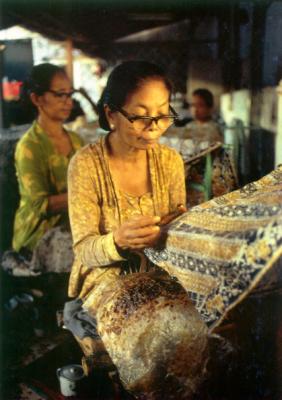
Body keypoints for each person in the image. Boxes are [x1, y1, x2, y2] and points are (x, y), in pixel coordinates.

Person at [65, 61, 213, 399]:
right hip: (104, 277)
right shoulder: (86, 164)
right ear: (112, 114)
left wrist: (177, 230)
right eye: (141, 116)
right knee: (148, 334)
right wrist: (117, 241)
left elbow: (175, 227)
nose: (154, 128)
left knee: (203, 323)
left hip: (159, 268)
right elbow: (84, 248)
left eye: (162, 115)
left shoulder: (170, 162)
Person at [12, 63, 84, 254]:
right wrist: (86, 196)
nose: (68, 101)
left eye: (70, 94)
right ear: (37, 98)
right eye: (60, 94)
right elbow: (39, 205)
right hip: (39, 233)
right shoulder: (29, 146)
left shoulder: (76, 141)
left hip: (72, 225)